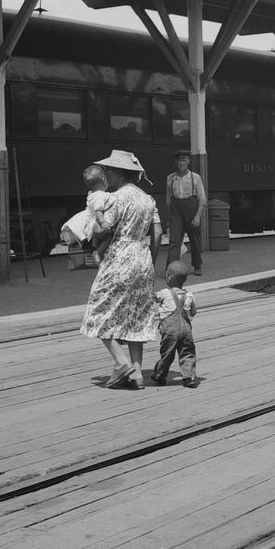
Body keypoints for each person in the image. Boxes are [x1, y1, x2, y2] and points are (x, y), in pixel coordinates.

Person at [80, 150, 162, 389]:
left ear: (118, 173)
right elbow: (157, 233)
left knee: (98, 310)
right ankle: (136, 372)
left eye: (109, 172)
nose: (107, 176)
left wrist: (90, 228)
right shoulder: (148, 199)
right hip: (143, 258)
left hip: (120, 258)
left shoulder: (116, 199)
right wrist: (150, 261)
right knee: (136, 316)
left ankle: (122, 363)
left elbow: (103, 230)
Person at [152, 261, 198, 387]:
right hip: (186, 331)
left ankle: (160, 375)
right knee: (187, 353)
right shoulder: (189, 295)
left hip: (170, 331)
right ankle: (189, 377)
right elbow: (193, 312)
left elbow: (153, 297)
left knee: (167, 353)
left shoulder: (164, 293)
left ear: (169, 277)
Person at [165, 151, 207, 276]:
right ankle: (171, 269)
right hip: (176, 211)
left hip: (191, 210)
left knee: (195, 240)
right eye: (179, 160)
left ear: (189, 161)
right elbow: (168, 199)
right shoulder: (170, 178)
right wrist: (169, 216)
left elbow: (202, 199)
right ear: (175, 162)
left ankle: (197, 265)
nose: (181, 163)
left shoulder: (195, 177)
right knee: (174, 241)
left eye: (184, 160)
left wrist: (198, 216)